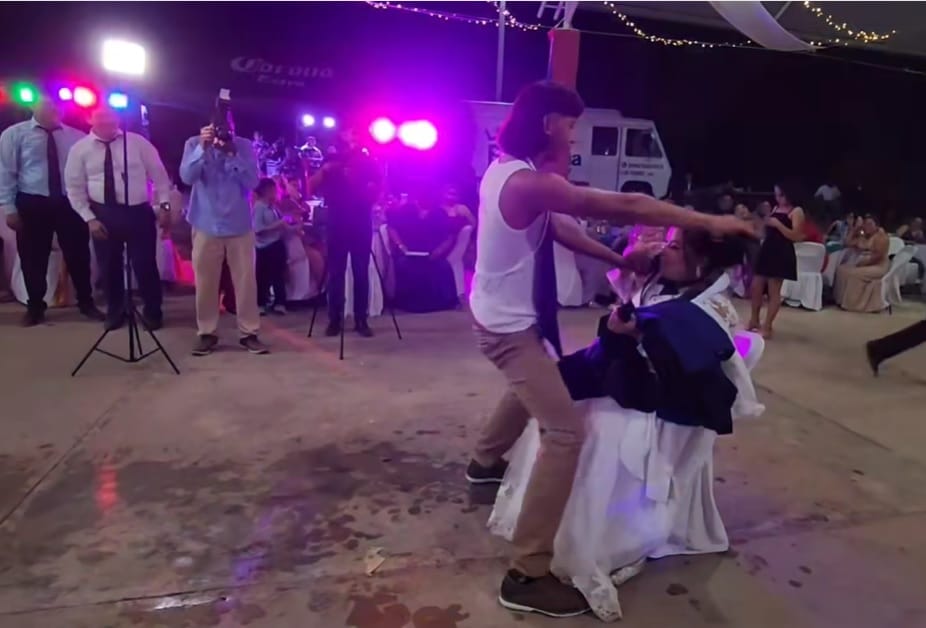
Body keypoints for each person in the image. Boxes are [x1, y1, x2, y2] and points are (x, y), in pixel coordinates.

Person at [462, 80, 754, 618]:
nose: (574, 138)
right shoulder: (525, 181)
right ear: (549, 124)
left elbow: (561, 230)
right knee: (564, 433)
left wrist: (618, 261)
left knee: (543, 375)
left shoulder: (508, 169)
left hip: (505, 316)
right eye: (571, 126)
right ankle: (526, 574)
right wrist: (707, 220)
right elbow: (622, 203)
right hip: (506, 328)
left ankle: (483, 463)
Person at [489, 228, 762, 621]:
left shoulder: (699, 314)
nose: (663, 251)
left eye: (674, 246)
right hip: (627, 379)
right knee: (551, 393)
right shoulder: (668, 284)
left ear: (701, 261)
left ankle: (579, 538)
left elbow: (660, 384)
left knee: (574, 424)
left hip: (655, 405)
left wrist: (622, 339)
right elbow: (626, 287)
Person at [64, 106, 171, 330]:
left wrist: (165, 206)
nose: (107, 121)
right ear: (90, 119)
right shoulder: (80, 149)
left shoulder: (137, 143)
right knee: (109, 266)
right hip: (103, 214)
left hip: (137, 212)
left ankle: (153, 311)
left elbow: (160, 177)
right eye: (101, 117)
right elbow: (74, 188)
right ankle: (115, 311)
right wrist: (89, 219)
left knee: (145, 264)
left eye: (111, 117)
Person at [0, 98, 104, 326]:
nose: (52, 110)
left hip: (69, 202)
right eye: (46, 105)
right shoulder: (14, 134)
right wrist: (8, 208)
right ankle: (35, 307)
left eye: (56, 106)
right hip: (32, 200)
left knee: (79, 254)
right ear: (33, 107)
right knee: (33, 257)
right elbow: (6, 172)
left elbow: (85, 172)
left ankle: (86, 302)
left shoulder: (76, 136)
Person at [180, 116, 268, 356]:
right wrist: (202, 148)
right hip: (205, 222)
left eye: (228, 126)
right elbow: (187, 177)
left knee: (246, 282)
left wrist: (232, 154)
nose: (223, 131)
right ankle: (207, 333)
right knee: (205, 283)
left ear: (233, 126)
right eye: (218, 126)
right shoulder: (193, 143)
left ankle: (249, 333)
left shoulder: (244, 146)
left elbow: (253, 182)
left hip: (239, 224)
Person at [308, 124, 381, 338]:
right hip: (337, 220)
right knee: (335, 272)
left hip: (360, 219)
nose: (354, 137)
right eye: (351, 132)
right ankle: (335, 319)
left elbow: (379, 188)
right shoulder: (332, 159)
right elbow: (310, 186)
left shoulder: (368, 161)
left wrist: (370, 190)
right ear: (342, 135)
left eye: (357, 133)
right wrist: (326, 170)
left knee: (361, 271)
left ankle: (361, 319)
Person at [747, 182, 805, 339]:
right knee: (756, 286)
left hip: (782, 252)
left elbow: (796, 236)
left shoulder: (796, 211)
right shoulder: (775, 208)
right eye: (776, 195)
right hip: (767, 249)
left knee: (774, 291)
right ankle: (754, 320)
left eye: (781, 195)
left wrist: (778, 225)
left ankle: (767, 326)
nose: (778, 198)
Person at [386, 197, 460, 313]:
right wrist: (401, 246)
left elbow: (450, 237)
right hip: (409, 254)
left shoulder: (439, 213)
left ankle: (440, 303)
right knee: (402, 265)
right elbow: (391, 228)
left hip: (433, 255)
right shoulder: (407, 209)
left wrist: (439, 250)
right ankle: (406, 302)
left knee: (443, 267)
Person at [252, 178, 295, 315]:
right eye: (273, 189)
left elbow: (284, 225)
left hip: (276, 244)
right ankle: (260, 303)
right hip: (264, 247)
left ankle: (279, 302)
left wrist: (294, 227)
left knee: (278, 275)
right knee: (262, 276)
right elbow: (258, 229)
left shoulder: (273, 207)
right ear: (266, 190)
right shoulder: (259, 207)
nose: (276, 192)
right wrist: (279, 224)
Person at [833, 214, 890, 313]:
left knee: (853, 274)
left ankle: (853, 304)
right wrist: (855, 229)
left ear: (876, 225)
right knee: (841, 270)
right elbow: (847, 242)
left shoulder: (881, 237)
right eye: (865, 224)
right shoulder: (862, 235)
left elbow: (878, 256)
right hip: (862, 264)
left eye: (870, 224)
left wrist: (862, 264)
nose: (867, 227)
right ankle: (840, 300)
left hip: (878, 266)